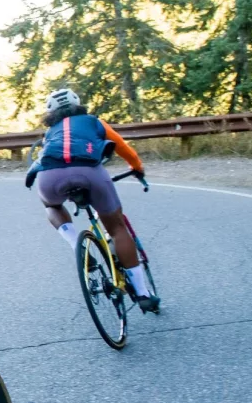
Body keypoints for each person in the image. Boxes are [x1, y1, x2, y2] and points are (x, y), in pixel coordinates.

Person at [25, 88, 160, 312]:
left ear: (50, 113)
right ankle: (143, 293)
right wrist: (137, 167)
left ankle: (76, 244)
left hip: (50, 177)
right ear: (78, 104)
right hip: (89, 172)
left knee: (51, 206)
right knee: (117, 228)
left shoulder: (50, 133)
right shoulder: (94, 122)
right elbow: (122, 147)